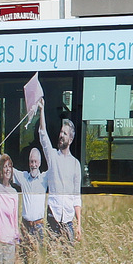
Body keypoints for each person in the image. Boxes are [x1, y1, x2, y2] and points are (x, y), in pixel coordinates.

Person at [0, 135, 48, 261]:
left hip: (39, 226)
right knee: (24, 258)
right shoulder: (24, 177)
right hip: (25, 225)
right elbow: (6, 167)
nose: (33, 164)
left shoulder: (44, 178)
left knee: (38, 259)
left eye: (36, 162)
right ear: (28, 162)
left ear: (40, 163)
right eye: (31, 161)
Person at [37, 100, 83, 243]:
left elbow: (76, 196)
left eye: (65, 133)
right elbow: (43, 135)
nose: (61, 135)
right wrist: (42, 110)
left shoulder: (75, 164)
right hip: (53, 214)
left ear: (70, 139)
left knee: (68, 255)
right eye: (61, 132)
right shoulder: (53, 157)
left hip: (68, 218)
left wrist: (79, 224)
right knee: (52, 254)